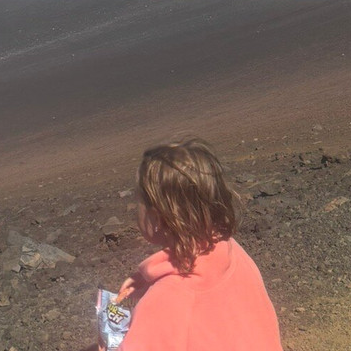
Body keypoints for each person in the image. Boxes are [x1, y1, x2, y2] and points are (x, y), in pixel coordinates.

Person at [109, 138, 283, 351]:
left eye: (138, 202)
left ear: (157, 219)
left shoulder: (165, 299)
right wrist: (147, 279)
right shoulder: (231, 251)